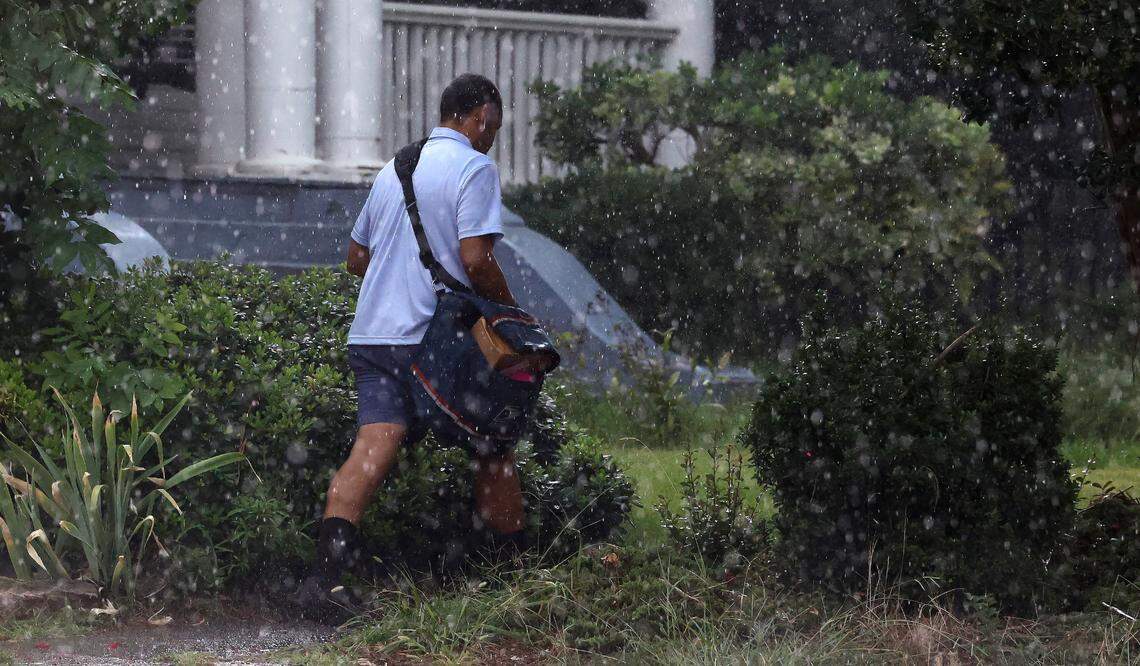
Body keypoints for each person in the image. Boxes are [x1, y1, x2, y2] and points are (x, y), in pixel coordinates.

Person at [295, 74, 525, 622]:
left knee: (372, 449)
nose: (490, 137)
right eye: (490, 127)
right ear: (478, 120)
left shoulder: (392, 170)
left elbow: (356, 258)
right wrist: (511, 313)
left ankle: (324, 583)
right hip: (430, 340)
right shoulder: (474, 168)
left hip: (373, 335)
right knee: (495, 439)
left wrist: (399, 280)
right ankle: (515, 577)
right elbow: (475, 260)